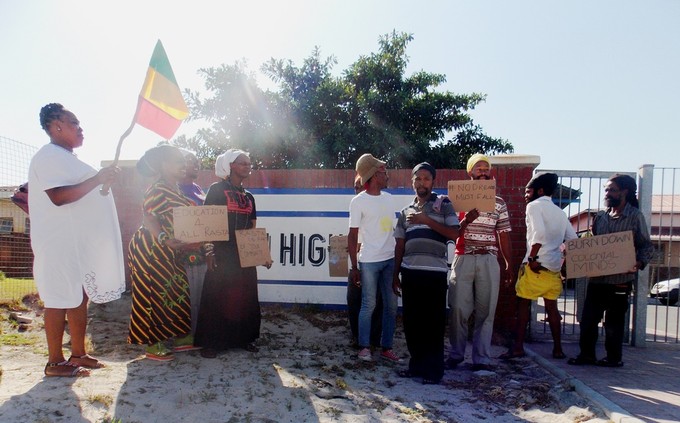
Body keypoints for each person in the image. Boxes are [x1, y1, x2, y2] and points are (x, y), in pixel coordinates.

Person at [29, 103, 125, 377]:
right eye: (73, 123)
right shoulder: (48, 156)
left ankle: (79, 353)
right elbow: (59, 197)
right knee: (58, 299)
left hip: (73, 243)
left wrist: (103, 181)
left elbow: (84, 194)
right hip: (57, 243)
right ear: (55, 126)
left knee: (78, 297)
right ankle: (55, 362)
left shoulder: (67, 158)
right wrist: (97, 179)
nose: (80, 128)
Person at [127, 145, 204, 361]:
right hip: (150, 247)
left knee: (177, 290)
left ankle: (180, 338)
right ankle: (153, 344)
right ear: (164, 165)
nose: (184, 165)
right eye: (178, 161)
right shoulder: (157, 188)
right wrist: (164, 239)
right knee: (154, 293)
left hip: (170, 248)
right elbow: (148, 217)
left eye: (184, 161)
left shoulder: (175, 188)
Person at [568, 174, 653, 367]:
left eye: (611, 190)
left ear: (625, 192)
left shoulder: (634, 216)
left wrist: (639, 262)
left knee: (614, 323)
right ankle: (587, 355)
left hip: (620, 279)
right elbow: (595, 245)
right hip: (597, 280)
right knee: (588, 319)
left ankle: (613, 358)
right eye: (606, 190)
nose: (607, 193)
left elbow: (646, 246)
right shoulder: (601, 217)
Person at [195, 149, 272, 358]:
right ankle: (212, 342)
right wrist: (208, 251)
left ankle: (243, 338)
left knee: (244, 297)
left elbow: (252, 229)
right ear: (230, 166)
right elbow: (207, 224)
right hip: (222, 251)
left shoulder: (249, 197)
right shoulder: (217, 190)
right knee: (217, 296)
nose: (248, 166)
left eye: (249, 163)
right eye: (242, 163)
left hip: (244, 254)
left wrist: (261, 254)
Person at [393, 162, 459, 384]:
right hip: (410, 273)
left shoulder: (444, 204)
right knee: (413, 323)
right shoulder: (405, 212)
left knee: (433, 323)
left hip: (434, 274)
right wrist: (395, 275)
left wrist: (426, 220)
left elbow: (454, 234)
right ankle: (417, 366)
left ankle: (433, 371)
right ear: (412, 182)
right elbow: (400, 245)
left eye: (426, 179)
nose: (422, 182)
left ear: (433, 182)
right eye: (418, 179)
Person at [447, 154, 513, 371]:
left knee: (486, 312)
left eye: (486, 168)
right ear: (470, 172)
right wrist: (466, 220)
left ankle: (481, 359)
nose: (483, 171)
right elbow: (450, 232)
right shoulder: (458, 199)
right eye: (478, 168)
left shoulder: (499, 202)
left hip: (488, 259)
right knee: (457, 308)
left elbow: (503, 234)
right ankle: (456, 355)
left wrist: (508, 263)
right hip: (464, 256)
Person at [501, 172, 577, 360]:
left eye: (528, 191)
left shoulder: (533, 206)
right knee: (552, 309)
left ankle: (518, 347)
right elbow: (573, 240)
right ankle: (558, 349)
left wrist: (533, 258)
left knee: (523, 306)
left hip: (535, 266)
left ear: (540, 190)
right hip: (552, 269)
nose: (525, 195)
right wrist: (562, 261)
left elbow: (539, 234)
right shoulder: (560, 212)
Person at [348, 153, 401, 363]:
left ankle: (386, 348)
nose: (387, 175)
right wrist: (355, 267)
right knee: (368, 305)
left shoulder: (389, 199)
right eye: (383, 171)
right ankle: (364, 347)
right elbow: (352, 236)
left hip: (389, 260)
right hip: (368, 261)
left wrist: (396, 264)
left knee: (391, 305)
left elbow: (389, 229)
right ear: (374, 175)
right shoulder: (357, 202)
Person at [346, 175, 383, 349]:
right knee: (354, 302)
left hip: (374, 263)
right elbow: (352, 237)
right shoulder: (355, 206)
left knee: (375, 303)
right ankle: (357, 337)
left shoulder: (381, 206)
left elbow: (385, 234)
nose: (358, 190)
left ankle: (374, 340)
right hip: (357, 264)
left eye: (361, 186)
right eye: (355, 187)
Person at [177, 148, 208, 336]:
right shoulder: (174, 189)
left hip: (201, 251)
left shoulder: (197, 188)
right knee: (186, 295)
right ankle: (183, 336)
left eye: (197, 161)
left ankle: (196, 334)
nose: (195, 164)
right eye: (190, 160)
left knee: (199, 295)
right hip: (182, 252)